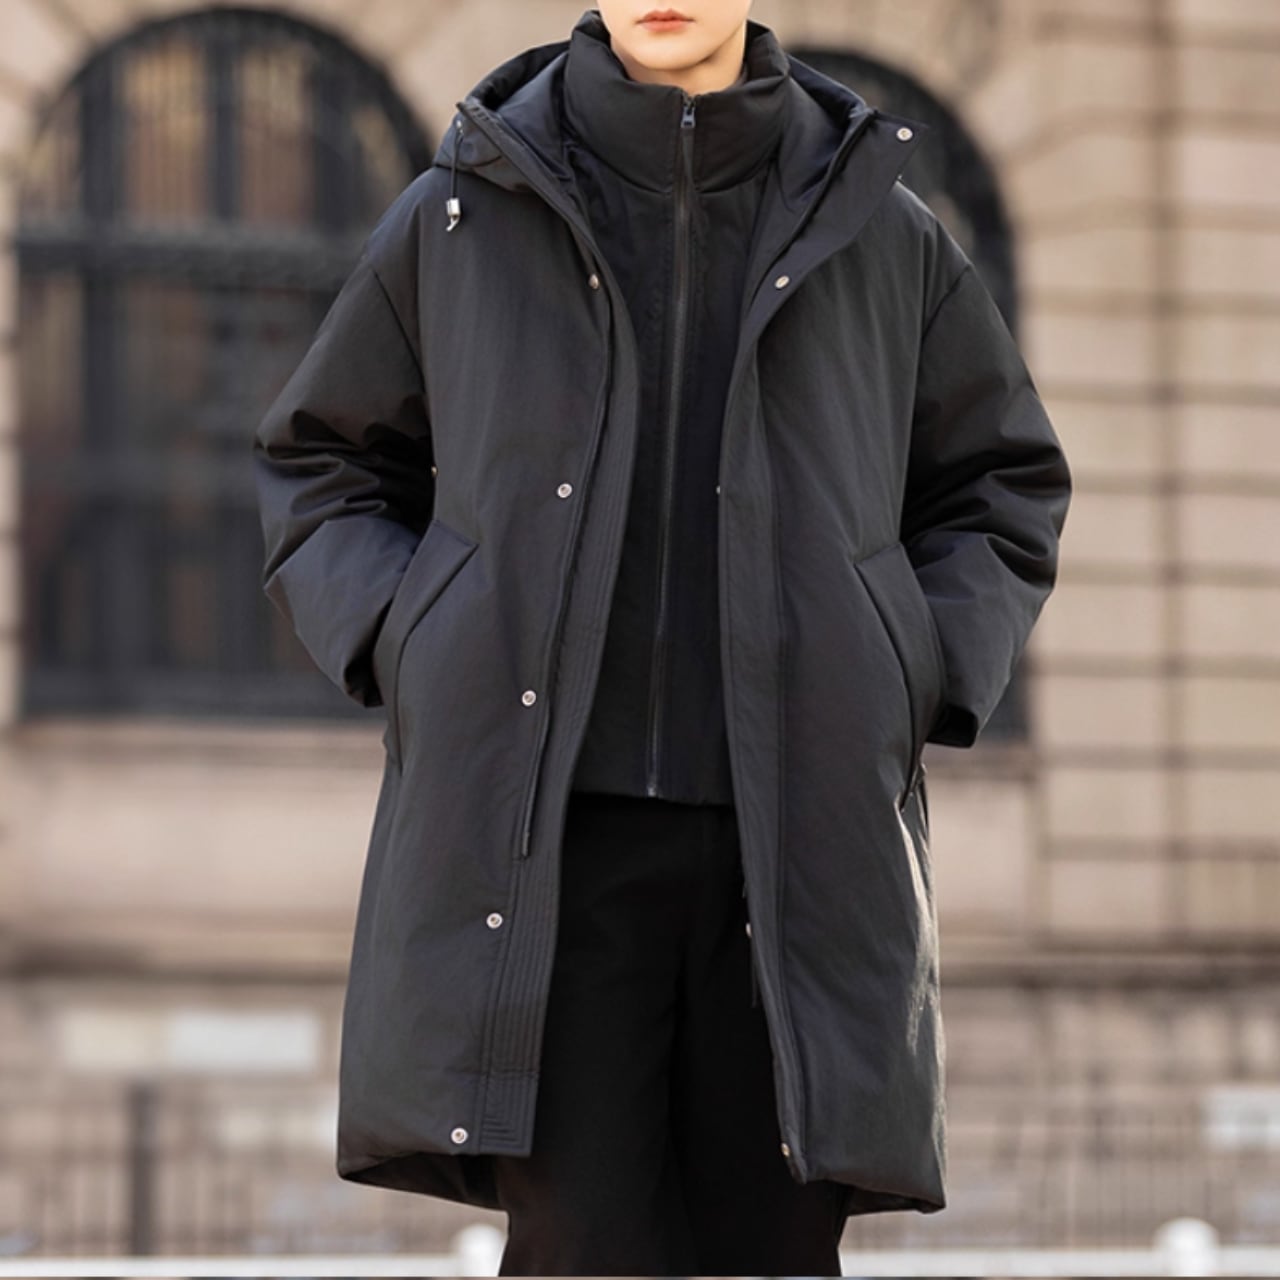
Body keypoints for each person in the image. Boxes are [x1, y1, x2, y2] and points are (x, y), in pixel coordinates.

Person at [252, 1, 1072, 1275]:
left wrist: (909, 664)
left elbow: (1000, 485)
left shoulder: (880, 226)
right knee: (579, 1244)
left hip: (798, 846)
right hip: (545, 853)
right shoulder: (462, 212)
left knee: (773, 1244)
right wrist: (413, 637)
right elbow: (322, 463)